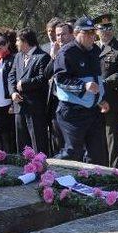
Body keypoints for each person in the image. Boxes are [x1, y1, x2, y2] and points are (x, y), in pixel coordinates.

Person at [53, 16, 110, 164]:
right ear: (76, 33)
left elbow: (96, 79)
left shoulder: (95, 51)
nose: (92, 36)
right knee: (72, 153)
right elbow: (60, 80)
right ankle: (51, 171)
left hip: (92, 112)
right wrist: (83, 86)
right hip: (72, 112)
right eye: (87, 33)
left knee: (97, 154)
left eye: (93, 33)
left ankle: (94, 185)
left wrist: (100, 99)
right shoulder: (67, 52)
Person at [95, 13, 118, 169]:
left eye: (109, 28)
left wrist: (105, 81)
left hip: (112, 99)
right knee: (98, 139)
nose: (106, 31)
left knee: (113, 140)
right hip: (94, 100)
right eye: (103, 28)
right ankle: (100, 171)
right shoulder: (92, 48)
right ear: (97, 30)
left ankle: (115, 174)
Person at [8, 28, 51, 153]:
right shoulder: (18, 57)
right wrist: (13, 93)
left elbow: (43, 78)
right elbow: (11, 76)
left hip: (35, 108)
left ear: (25, 41)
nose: (15, 43)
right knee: (22, 143)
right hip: (19, 106)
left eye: (17, 40)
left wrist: (25, 84)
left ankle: (40, 169)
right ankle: (23, 169)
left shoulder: (42, 57)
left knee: (37, 142)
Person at [46, 21, 74, 155]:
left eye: (63, 34)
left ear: (71, 34)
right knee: (56, 137)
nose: (60, 38)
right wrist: (54, 56)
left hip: (72, 101)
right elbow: (47, 73)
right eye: (57, 35)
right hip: (56, 100)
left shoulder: (76, 51)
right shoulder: (56, 52)